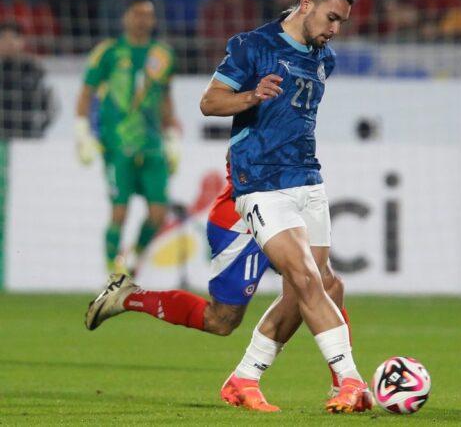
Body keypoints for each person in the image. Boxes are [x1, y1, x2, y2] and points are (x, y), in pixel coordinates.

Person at [198, 0, 371, 414]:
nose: (335, 30)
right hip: (260, 183)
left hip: (308, 180)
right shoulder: (252, 46)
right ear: (306, 4)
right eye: (332, 18)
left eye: (342, 24)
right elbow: (210, 102)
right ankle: (351, 382)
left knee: (320, 285)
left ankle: (244, 377)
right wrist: (252, 96)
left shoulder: (322, 58)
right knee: (307, 278)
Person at [85, 156, 358, 412]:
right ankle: (128, 296)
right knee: (221, 320)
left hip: (287, 206)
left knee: (325, 284)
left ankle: (342, 387)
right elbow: (227, 128)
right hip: (241, 221)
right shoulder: (255, 109)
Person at [75, 0, 181, 275]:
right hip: (117, 144)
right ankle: (113, 271)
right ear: (125, 18)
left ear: (154, 20)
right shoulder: (108, 53)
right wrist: (82, 132)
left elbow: (165, 98)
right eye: (137, 14)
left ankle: (132, 259)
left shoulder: (163, 55)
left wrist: (171, 136)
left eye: (148, 15)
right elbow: (86, 93)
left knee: (158, 214)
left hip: (152, 144)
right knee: (119, 212)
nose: (142, 20)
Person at [0, 21, 56, 138]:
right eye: (3, 37)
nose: (9, 42)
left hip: (26, 136)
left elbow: (50, 102)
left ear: (22, 41)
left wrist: (39, 128)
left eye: (14, 37)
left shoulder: (34, 68)